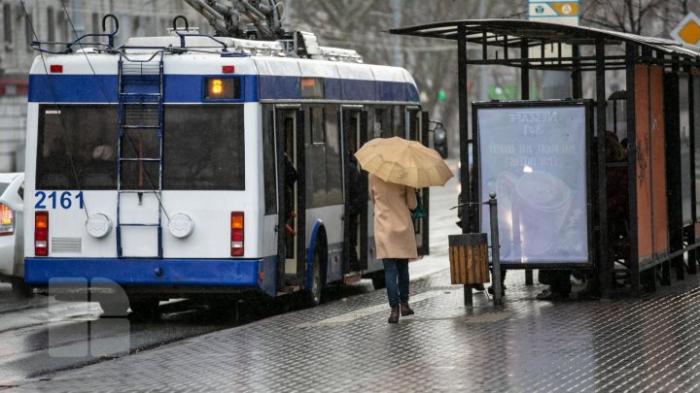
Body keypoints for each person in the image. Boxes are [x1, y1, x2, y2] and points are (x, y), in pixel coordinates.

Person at [370, 173, 417, 323]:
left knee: (389, 270)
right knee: (403, 268)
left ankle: (394, 310)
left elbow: (374, 200)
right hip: (401, 226)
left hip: (383, 227)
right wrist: (412, 190)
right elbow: (413, 205)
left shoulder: (373, 175)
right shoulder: (404, 175)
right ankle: (404, 304)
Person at [345, 154, 363, 270]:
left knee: (350, 238)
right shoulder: (352, 168)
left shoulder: (350, 169)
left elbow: (356, 192)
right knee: (350, 238)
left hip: (351, 209)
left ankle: (353, 263)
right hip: (352, 209)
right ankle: (353, 263)